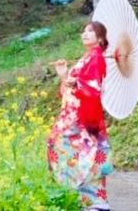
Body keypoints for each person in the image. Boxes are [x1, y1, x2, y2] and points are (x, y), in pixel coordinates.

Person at [47, 21, 114, 210]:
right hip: (72, 116)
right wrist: (64, 76)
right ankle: (79, 199)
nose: (84, 34)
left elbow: (93, 88)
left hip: (81, 119)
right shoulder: (87, 57)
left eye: (90, 32)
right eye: (83, 31)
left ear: (100, 38)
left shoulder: (96, 57)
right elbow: (70, 89)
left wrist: (72, 82)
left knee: (78, 153)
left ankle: (93, 202)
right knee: (65, 150)